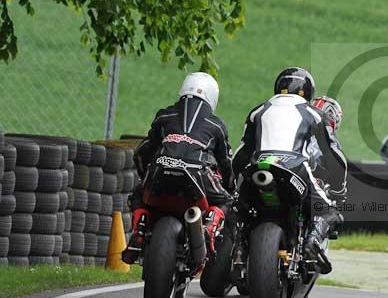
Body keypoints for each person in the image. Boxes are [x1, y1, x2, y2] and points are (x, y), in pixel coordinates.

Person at [232, 68, 346, 270]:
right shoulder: (314, 114)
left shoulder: (257, 111)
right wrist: (338, 190)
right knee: (331, 211)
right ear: (309, 91)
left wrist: (233, 183)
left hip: (257, 167)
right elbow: (335, 156)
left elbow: (241, 154)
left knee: (235, 206)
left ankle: (239, 245)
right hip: (294, 168)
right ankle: (312, 241)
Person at [121, 72, 234, 264]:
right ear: (212, 96)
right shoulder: (217, 125)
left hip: (161, 170)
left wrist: (144, 177)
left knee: (138, 195)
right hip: (197, 174)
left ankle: (139, 231)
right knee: (225, 202)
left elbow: (144, 150)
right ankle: (209, 229)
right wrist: (230, 188)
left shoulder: (164, 115)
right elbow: (225, 162)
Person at [309, 95, 347, 238]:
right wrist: (338, 193)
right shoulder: (332, 142)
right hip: (308, 180)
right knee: (332, 212)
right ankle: (314, 240)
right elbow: (337, 166)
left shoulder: (295, 127)